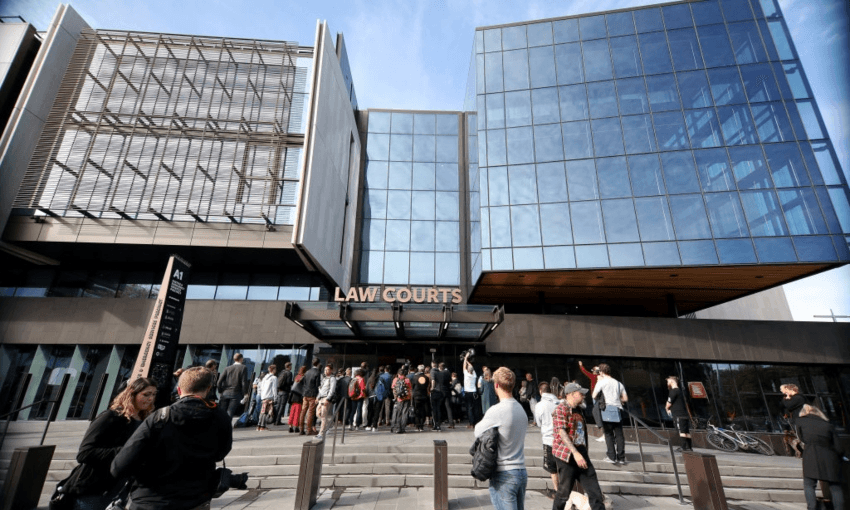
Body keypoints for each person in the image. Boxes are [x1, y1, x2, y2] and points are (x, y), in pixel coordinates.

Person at [111, 367, 233, 510]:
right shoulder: (221, 417)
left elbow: (119, 466)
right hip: (195, 500)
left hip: (151, 500)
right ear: (208, 389)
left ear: (179, 390)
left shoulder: (160, 417)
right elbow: (221, 453)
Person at [56, 378, 157, 509]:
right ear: (131, 394)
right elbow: (84, 453)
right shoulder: (111, 416)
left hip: (119, 490)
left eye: (154, 394)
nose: (150, 399)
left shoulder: (145, 420)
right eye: (146, 394)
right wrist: (126, 451)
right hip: (92, 489)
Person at [474, 367, 528, 510]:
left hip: (504, 473)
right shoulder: (521, 409)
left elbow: (477, 431)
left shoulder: (497, 410)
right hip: (521, 471)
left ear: (496, 385)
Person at [551, 382, 605, 510]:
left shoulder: (579, 410)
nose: (583, 396)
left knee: (595, 491)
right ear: (571, 394)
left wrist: (582, 452)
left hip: (581, 453)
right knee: (564, 493)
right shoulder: (561, 409)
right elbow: (561, 432)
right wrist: (575, 453)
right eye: (581, 394)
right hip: (567, 455)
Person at [796, 404, 845, 510]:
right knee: (835, 487)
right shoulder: (828, 425)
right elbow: (839, 448)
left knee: (809, 484)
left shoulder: (800, 422)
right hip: (830, 457)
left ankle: (812, 507)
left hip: (811, 455)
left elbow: (802, 438)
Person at [591, 363, 628, 464]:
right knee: (619, 435)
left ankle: (612, 456)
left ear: (602, 372)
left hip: (606, 410)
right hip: (618, 410)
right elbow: (625, 398)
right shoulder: (619, 383)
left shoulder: (602, 382)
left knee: (608, 434)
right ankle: (621, 457)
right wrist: (617, 399)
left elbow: (594, 395)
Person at [533, 382, 560, 500]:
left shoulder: (540, 405)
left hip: (548, 439)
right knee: (562, 466)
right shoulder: (559, 403)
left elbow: (538, 423)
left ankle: (557, 490)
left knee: (552, 468)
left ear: (540, 392)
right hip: (561, 438)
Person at [217, 353, 250, 419]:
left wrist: (220, 391)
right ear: (241, 359)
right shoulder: (243, 368)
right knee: (230, 412)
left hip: (225, 393)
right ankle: (226, 428)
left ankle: (219, 427)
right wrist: (245, 393)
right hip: (236, 393)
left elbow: (219, 382)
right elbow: (244, 382)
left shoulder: (227, 368)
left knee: (222, 412)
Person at [579, 362, 605, 443]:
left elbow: (585, 371)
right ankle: (603, 432)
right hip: (599, 398)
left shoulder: (594, 377)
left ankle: (603, 432)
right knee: (599, 413)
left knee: (598, 413)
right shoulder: (602, 378)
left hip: (597, 397)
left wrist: (581, 365)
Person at [666, 376, 692, 452]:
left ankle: (684, 447)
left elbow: (669, 403)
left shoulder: (673, 391)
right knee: (686, 431)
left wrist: (667, 408)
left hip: (678, 415)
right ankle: (689, 447)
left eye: (668, 382)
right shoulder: (681, 391)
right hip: (684, 415)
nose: (667, 383)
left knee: (681, 432)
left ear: (672, 382)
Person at [299, 357, 322, 436]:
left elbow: (303, 382)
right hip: (312, 394)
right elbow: (318, 385)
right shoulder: (317, 372)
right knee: (310, 412)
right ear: (318, 363)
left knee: (303, 411)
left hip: (305, 394)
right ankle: (309, 430)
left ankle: (301, 429)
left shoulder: (307, 372)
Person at [315, 364, 336, 440]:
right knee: (318, 413)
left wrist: (328, 398)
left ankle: (321, 433)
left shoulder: (332, 378)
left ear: (331, 370)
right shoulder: (324, 378)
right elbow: (321, 388)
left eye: (327, 370)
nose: (326, 371)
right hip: (321, 398)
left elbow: (332, 389)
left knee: (323, 416)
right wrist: (317, 397)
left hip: (326, 398)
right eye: (325, 370)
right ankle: (329, 424)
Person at [430, 362, 452, 431]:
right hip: (447, 391)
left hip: (438, 391)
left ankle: (436, 424)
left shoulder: (437, 373)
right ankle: (450, 423)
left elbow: (434, 381)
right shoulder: (447, 373)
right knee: (446, 407)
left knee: (436, 408)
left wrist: (432, 388)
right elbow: (449, 381)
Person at [391, 367, 413, 434]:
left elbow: (393, 389)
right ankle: (403, 428)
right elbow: (410, 389)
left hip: (399, 399)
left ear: (398, 374)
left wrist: (395, 397)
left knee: (398, 413)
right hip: (407, 398)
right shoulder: (407, 380)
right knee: (405, 413)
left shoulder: (395, 379)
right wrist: (411, 398)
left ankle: (398, 428)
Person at [256, 364, 278, 431]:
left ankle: (259, 426)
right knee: (267, 412)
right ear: (273, 370)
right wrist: (275, 398)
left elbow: (261, 387)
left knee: (262, 412)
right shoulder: (274, 378)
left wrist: (262, 396)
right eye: (275, 369)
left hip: (264, 397)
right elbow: (274, 388)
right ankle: (263, 426)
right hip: (270, 397)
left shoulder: (265, 377)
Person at [412, 365, 430, 432]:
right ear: (423, 370)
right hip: (424, 395)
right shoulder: (426, 377)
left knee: (417, 411)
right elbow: (427, 385)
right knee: (423, 411)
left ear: (418, 369)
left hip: (416, 395)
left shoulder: (415, 377)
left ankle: (417, 426)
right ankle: (421, 426)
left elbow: (413, 386)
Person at [288, 366, 306, 433]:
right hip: (299, 396)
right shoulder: (303, 377)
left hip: (293, 396)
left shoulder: (297, 376)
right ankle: (296, 426)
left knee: (292, 411)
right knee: (298, 412)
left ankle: (290, 426)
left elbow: (293, 387)